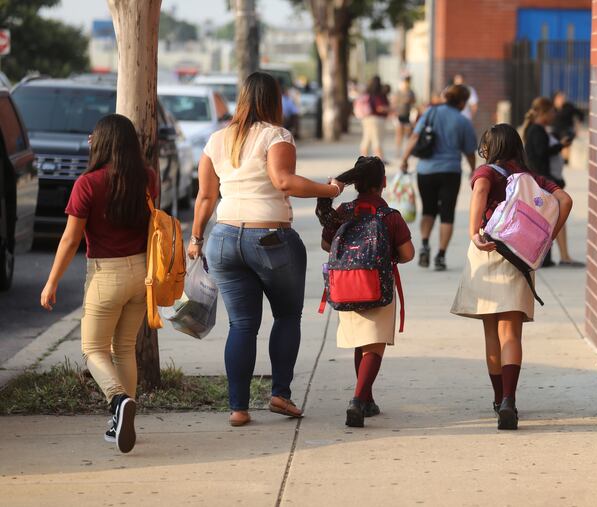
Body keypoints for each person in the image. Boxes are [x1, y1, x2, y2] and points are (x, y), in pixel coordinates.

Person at [188, 72, 346, 427]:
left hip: (224, 239)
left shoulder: (216, 140)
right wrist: (330, 190)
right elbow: (284, 181)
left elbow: (206, 196)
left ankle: (238, 408)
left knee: (242, 324)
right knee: (287, 316)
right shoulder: (276, 135)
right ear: (274, 99)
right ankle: (280, 394)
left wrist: (196, 239)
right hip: (270, 238)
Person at [40, 114, 159, 453]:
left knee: (92, 349)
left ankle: (119, 401)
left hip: (106, 275)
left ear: (104, 142)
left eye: (93, 136)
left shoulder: (88, 183)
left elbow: (69, 240)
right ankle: (122, 419)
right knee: (123, 349)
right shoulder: (147, 178)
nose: (90, 139)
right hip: (142, 275)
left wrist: (51, 282)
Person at [450, 123, 573, 430]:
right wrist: (544, 242)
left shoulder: (487, 173)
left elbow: (479, 190)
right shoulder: (530, 177)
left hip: (489, 249)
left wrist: (473, 232)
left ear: (489, 148)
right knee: (512, 335)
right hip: (519, 257)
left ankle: (497, 399)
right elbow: (565, 201)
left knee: (492, 333)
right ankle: (510, 399)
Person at [317, 157, 414, 428]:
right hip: (377, 285)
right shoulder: (389, 216)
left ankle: (367, 399)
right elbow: (407, 254)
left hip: (346, 284)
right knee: (374, 344)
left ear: (356, 183)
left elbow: (327, 245)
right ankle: (358, 400)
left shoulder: (343, 211)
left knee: (361, 341)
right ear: (383, 183)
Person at [400, 84, 477, 271]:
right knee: (447, 214)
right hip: (450, 171)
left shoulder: (430, 113)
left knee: (428, 209)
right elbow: (469, 151)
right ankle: (441, 256)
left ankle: (425, 243)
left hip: (426, 170)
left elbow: (414, 137)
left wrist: (404, 159)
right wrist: (474, 171)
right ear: (461, 102)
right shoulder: (463, 121)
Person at [522, 97, 582, 267]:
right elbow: (541, 153)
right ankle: (562, 256)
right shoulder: (537, 130)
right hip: (544, 179)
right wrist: (560, 146)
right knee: (556, 216)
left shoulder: (538, 130)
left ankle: (555, 256)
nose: (554, 115)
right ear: (544, 113)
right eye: (551, 112)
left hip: (544, 179)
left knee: (551, 218)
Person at [359, 76, 390, 160]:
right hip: (377, 120)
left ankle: (363, 159)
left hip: (366, 119)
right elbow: (379, 108)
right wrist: (390, 109)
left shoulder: (367, 93)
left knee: (366, 140)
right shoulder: (379, 94)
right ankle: (380, 159)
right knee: (377, 140)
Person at [551, 90, 585, 164]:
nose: (562, 99)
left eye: (562, 97)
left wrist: (577, 127)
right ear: (555, 99)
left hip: (567, 130)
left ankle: (565, 160)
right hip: (555, 130)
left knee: (566, 138)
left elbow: (580, 115)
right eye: (559, 98)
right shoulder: (551, 108)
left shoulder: (569, 107)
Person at [393, 76, 416, 158]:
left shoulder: (411, 92)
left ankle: (407, 151)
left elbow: (414, 101)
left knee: (408, 134)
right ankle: (398, 151)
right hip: (399, 114)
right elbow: (394, 102)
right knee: (399, 134)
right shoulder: (398, 92)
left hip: (408, 114)